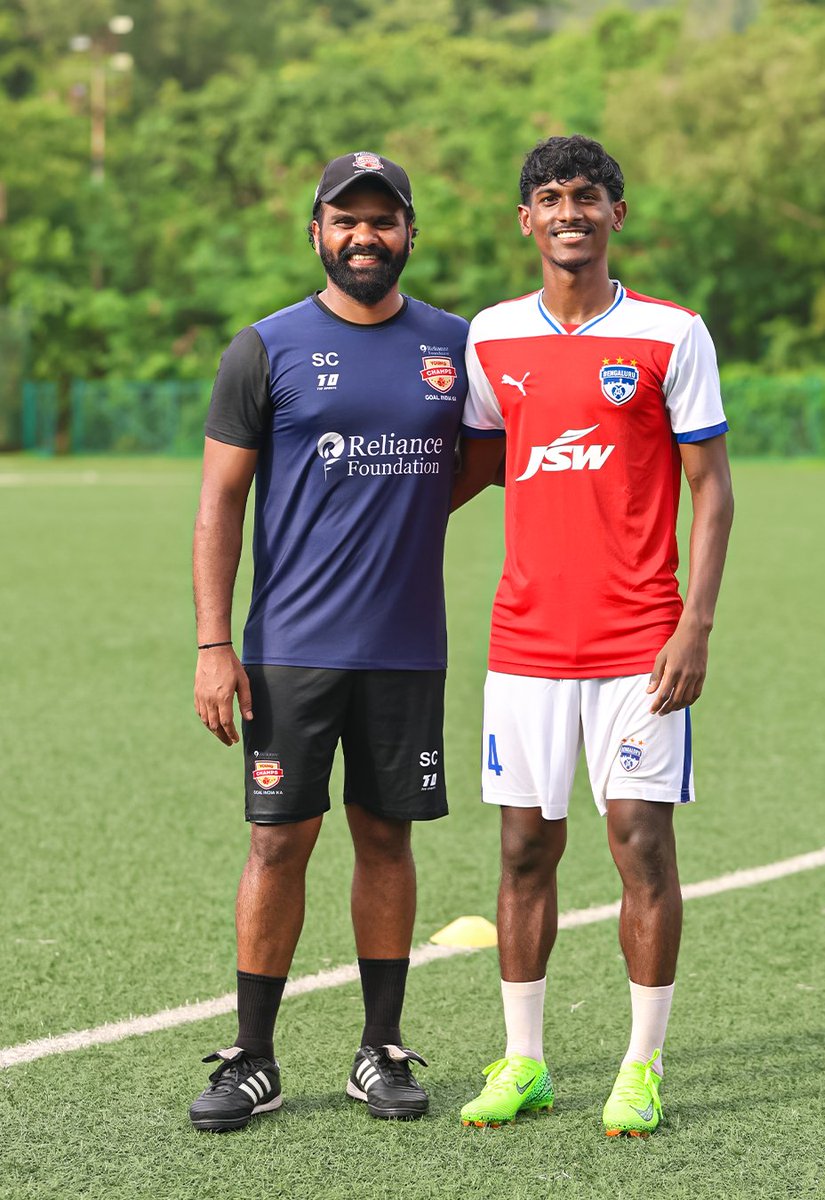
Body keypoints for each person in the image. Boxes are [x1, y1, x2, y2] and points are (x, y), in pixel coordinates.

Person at [451, 135, 734, 1137]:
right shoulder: (490, 338)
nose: (567, 210)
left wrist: (693, 624)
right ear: (524, 220)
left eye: (586, 195)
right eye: (548, 197)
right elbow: (477, 466)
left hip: (638, 644)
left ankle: (641, 1065)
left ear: (618, 213)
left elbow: (712, 491)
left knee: (638, 844)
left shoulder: (671, 334)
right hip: (524, 641)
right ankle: (524, 1062)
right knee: (525, 848)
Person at [189, 151, 468, 1132]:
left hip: (405, 647)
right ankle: (252, 1056)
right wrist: (213, 643)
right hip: (289, 650)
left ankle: (379, 1050)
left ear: (408, 234)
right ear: (316, 230)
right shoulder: (264, 348)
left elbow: (486, 460)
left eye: (382, 220)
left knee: (385, 839)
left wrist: (411, 504)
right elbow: (221, 500)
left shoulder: (455, 346)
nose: (364, 236)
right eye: (345, 219)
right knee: (278, 842)